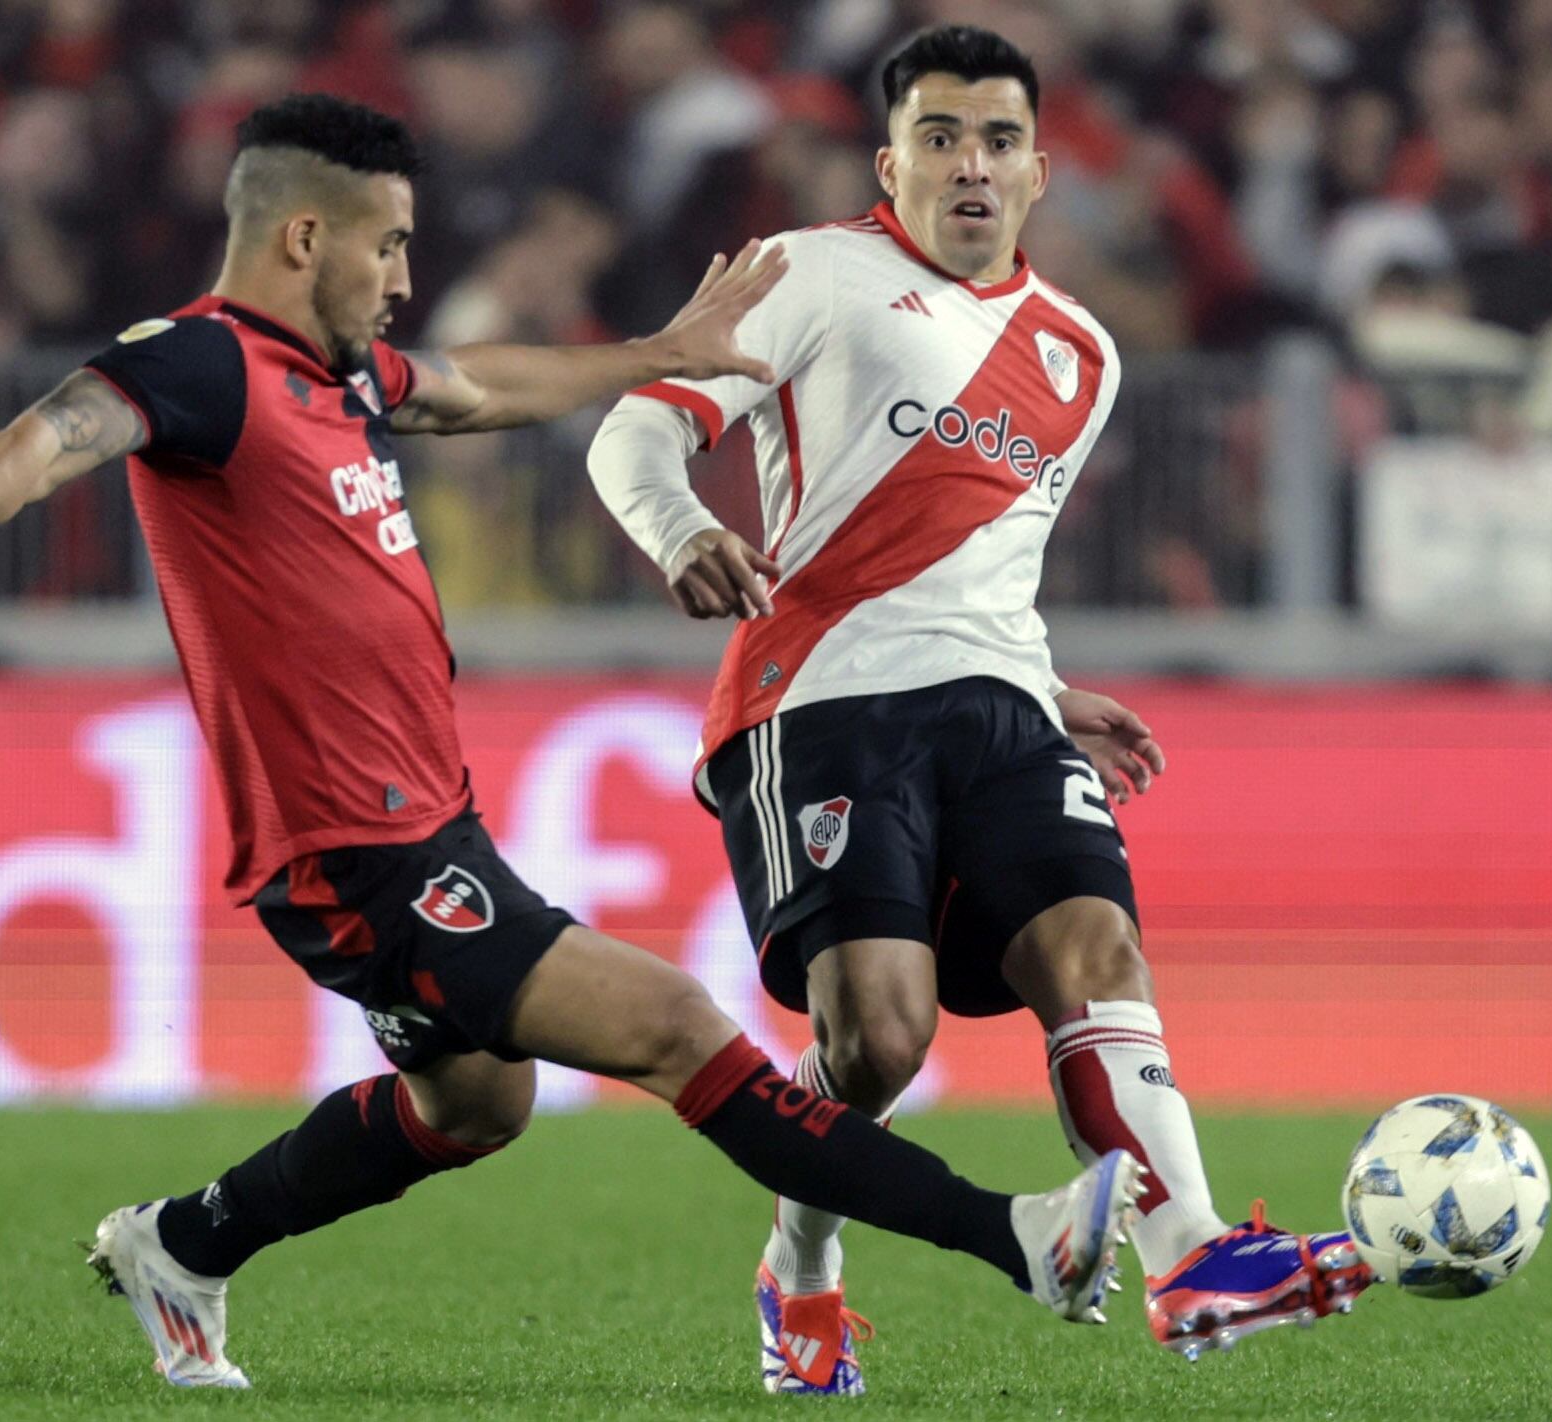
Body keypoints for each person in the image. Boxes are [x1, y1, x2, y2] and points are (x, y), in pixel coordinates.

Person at [0, 93, 1142, 1392]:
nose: (402, 277)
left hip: (423, 826)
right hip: (356, 854)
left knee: (475, 1103)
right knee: (682, 1028)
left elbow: (474, 389)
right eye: (386, 245)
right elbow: (47, 437)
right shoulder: (202, 362)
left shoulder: (336, 378)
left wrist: (656, 351)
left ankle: (183, 1242)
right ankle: (1015, 1236)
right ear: (302, 239)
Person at [585, 25, 1369, 1393]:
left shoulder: (1083, 355)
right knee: (876, 1039)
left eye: (997, 140)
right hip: (820, 696)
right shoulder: (811, 275)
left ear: (1042, 171)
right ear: (889, 161)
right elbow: (632, 431)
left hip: (1002, 705)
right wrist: (670, 530)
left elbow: (975, 565)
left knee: (1096, 946)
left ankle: (1189, 1258)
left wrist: (1049, 689)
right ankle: (803, 1267)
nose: (969, 164)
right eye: (938, 136)